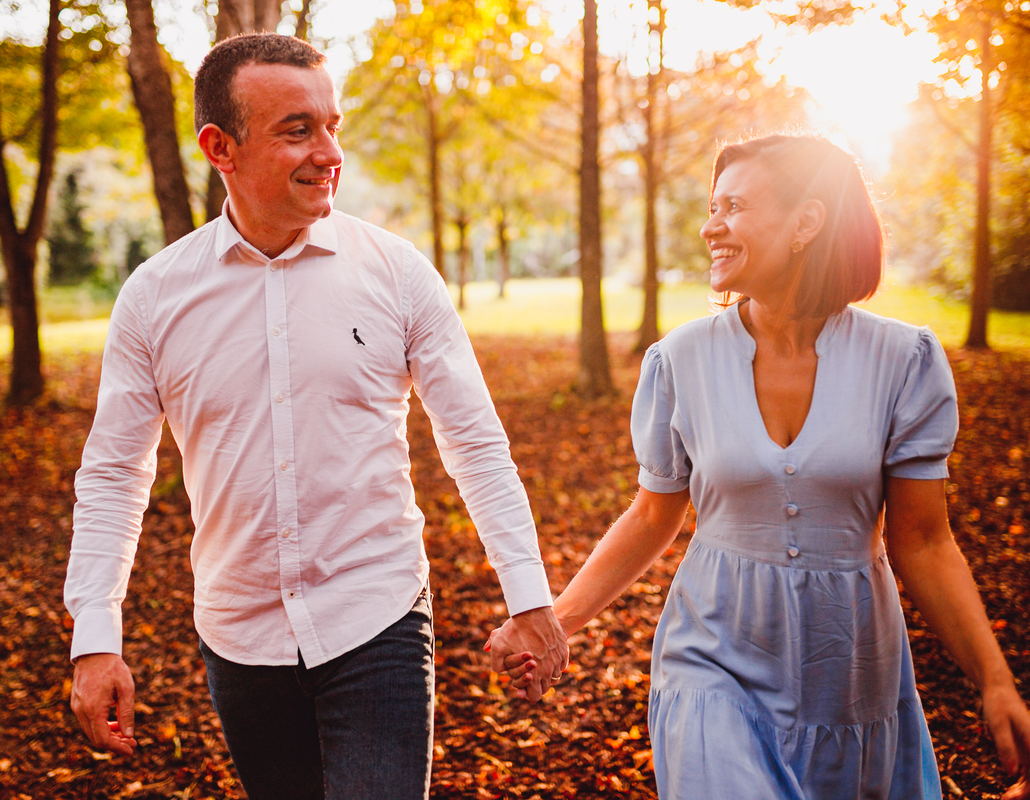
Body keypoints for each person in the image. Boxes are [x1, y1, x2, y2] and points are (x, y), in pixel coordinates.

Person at [63, 33, 568, 800]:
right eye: (298, 130)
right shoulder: (154, 298)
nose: (330, 152)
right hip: (238, 636)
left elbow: (475, 443)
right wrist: (94, 639)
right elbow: (113, 475)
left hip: (377, 617)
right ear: (219, 147)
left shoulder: (397, 274)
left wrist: (528, 598)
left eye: (333, 126)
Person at [488, 133, 1030, 799]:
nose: (710, 226)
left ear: (806, 222)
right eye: (712, 207)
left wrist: (994, 680)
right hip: (712, 658)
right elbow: (654, 513)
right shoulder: (679, 360)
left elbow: (923, 538)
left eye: (734, 206)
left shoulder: (904, 362)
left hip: (852, 671)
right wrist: (557, 624)